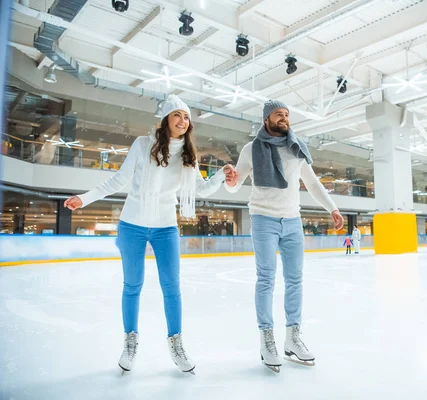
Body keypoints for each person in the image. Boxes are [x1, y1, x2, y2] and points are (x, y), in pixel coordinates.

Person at [63, 95, 236, 375]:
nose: (183, 120)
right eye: (177, 115)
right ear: (166, 118)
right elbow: (119, 179)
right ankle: (130, 342)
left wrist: (220, 176)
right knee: (132, 285)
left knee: (172, 287)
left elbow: (201, 190)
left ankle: (177, 343)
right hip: (132, 224)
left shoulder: (189, 156)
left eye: (187, 116)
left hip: (165, 226)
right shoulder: (144, 145)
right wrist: (86, 198)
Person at [224, 100, 344, 373]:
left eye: (287, 114)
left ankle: (293, 337)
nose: (284, 118)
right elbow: (234, 186)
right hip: (263, 219)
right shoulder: (251, 149)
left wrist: (333, 208)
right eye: (279, 114)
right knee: (266, 278)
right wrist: (230, 180)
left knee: (295, 280)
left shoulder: (295, 148)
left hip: (292, 221)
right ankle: (267, 339)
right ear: (267, 119)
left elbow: (312, 183)